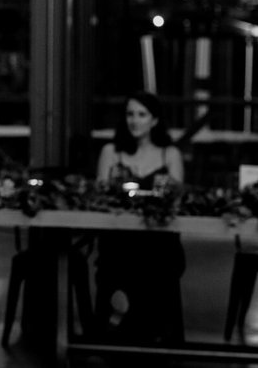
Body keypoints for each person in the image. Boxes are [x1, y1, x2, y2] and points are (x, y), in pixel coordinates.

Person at [93, 89, 186, 344]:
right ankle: (114, 336)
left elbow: (175, 201)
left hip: (158, 241)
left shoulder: (170, 154)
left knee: (160, 259)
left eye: (141, 114)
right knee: (120, 256)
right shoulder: (111, 152)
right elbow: (101, 197)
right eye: (129, 114)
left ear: (155, 120)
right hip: (119, 241)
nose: (134, 120)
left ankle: (156, 337)